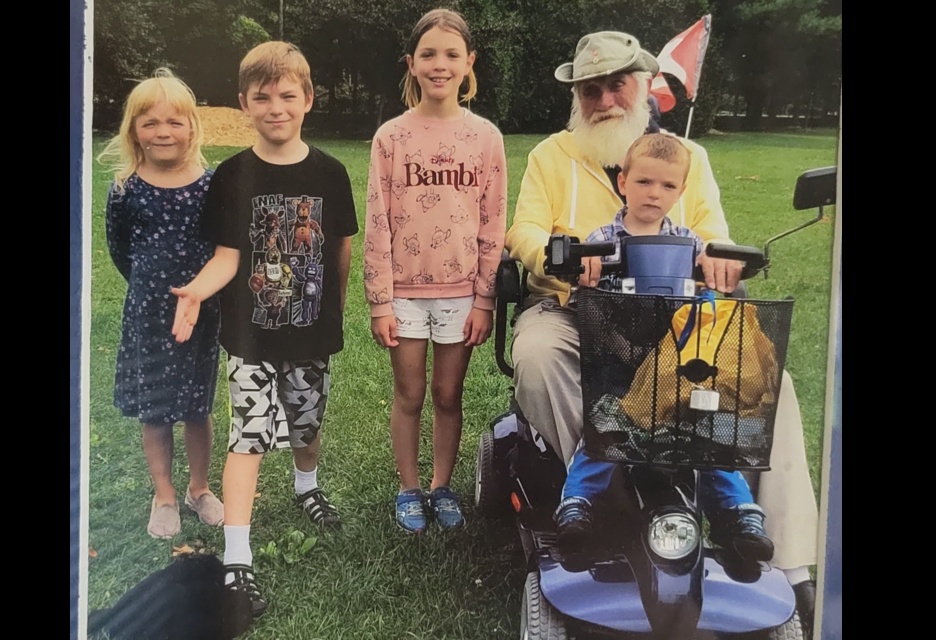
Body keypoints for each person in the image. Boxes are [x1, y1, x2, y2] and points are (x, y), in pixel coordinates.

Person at [504, 31, 818, 631]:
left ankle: (789, 559)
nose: (604, 98)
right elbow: (524, 231)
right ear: (577, 96)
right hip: (578, 308)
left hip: (676, 317)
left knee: (772, 383)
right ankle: (602, 498)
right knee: (540, 356)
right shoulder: (552, 154)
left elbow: (712, 234)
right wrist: (566, 256)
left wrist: (720, 262)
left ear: (644, 86)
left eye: (616, 83)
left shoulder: (686, 157)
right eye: (590, 88)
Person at [170, 41, 357, 615]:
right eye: (262, 97)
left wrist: (337, 310)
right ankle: (237, 562)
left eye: (287, 95)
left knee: (305, 426)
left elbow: (340, 252)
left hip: (310, 332)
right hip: (248, 336)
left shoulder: (330, 172)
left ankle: (307, 487)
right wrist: (198, 291)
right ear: (244, 104)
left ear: (308, 100)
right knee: (248, 436)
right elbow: (228, 256)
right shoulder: (231, 175)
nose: (276, 107)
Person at [555, 133, 772, 564]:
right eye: (644, 182)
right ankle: (577, 505)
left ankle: (737, 513)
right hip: (621, 366)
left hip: (676, 371)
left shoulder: (692, 245)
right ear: (623, 182)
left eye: (668, 186)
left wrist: (714, 278)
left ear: (681, 192)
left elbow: (708, 304)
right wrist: (584, 275)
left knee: (710, 432)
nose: (654, 193)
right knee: (605, 428)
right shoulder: (601, 240)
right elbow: (586, 306)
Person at [364, 8, 507, 534]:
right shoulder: (391, 138)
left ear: (469, 63)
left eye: (451, 55)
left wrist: (485, 299)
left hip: (461, 294)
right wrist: (380, 300)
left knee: (449, 396)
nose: (439, 65)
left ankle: (442, 486)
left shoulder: (486, 138)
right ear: (412, 63)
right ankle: (408, 489)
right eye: (428, 54)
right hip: (403, 291)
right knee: (410, 394)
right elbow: (377, 221)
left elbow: (493, 222)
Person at [100, 68, 223, 540]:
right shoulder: (126, 187)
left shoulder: (210, 184)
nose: (163, 132)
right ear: (133, 129)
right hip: (147, 316)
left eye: (174, 122)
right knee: (155, 410)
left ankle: (198, 488)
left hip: (201, 316)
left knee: (196, 406)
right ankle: (164, 494)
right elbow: (119, 248)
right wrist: (149, 288)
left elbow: (222, 248)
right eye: (150, 122)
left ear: (192, 126)